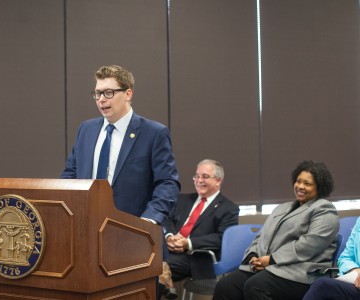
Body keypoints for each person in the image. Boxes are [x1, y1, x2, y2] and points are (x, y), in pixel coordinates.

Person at [61, 64, 180, 225]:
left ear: (128, 94)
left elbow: (167, 182)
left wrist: (149, 219)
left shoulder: (153, 133)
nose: (101, 99)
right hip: (86, 228)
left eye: (108, 93)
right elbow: (70, 175)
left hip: (133, 232)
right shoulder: (86, 129)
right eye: (97, 93)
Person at [213, 160, 339, 300]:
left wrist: (272, 260)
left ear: (319, 187)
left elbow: (309, 245)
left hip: (302, 272)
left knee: (256, 286)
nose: (300, 186)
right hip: (272, 267)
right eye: (298, 181)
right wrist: (253, 257)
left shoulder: (325, 210)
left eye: (307, 184)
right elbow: (261, 237)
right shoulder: (281, 208)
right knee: (226, 286)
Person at [160, 159, 239, 299]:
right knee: (143, 263)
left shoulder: (229, 208)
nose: (199, 180)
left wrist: (187, 243)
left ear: (218, 181)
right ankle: (165, 286)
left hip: (196, 257)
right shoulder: (182, 199)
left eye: (205, 176)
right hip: (168, 249)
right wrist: (170, 236)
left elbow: (222, 239)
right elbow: (167, 219)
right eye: (197, 176)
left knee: (153, 268)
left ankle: (165, 285)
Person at [302, 217, 360, 300]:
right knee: (321, 286)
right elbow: (345, 257)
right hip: (356, 282)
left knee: (321, 286)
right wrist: (355, 269)